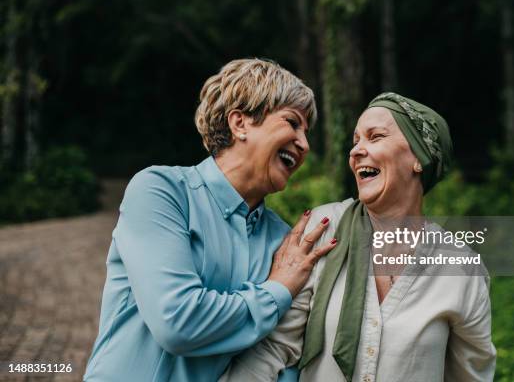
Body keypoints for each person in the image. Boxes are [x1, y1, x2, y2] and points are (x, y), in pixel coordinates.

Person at [83, 59, 337, 381]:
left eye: (306, 131)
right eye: (292, 122)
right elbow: (177, 321)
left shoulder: (284, 242)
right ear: (240, 123)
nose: (304, 144)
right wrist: (277, 290)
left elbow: (281, 356)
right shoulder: (160, 192)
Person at [221, 92, 496, 381]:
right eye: (355, 141)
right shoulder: (322, 228)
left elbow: (471, 376)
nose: (355, 152)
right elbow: (275, 348)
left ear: (419, 158)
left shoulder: (463, 269)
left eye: (375, 137)